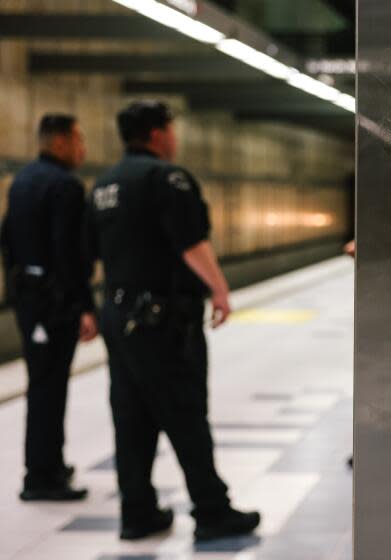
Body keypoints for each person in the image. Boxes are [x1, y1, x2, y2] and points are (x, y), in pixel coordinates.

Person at [87, 101, 259, 541]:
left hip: (119, 313)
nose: (174, 136)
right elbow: (190, 242)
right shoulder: (167, 178)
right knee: (184, 410)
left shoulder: (104, 185)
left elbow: (92, 252)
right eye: (170, 128)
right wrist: (219, 289)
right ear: (158, 133)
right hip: (162, 319)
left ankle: (137, 511)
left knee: (131, 415)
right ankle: (211, 510)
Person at [1, 114, 97, 501]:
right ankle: (41, 476)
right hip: (55, 302)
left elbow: (6, 238)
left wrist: (16, 291)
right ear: (59, 143)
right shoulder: (66, 187)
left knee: (43, 383)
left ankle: (48, 463)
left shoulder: (22, 181)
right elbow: (69, 254)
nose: (83, 148)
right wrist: (85, 306)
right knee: (49, 387)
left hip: (29, 298)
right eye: (78, 140)